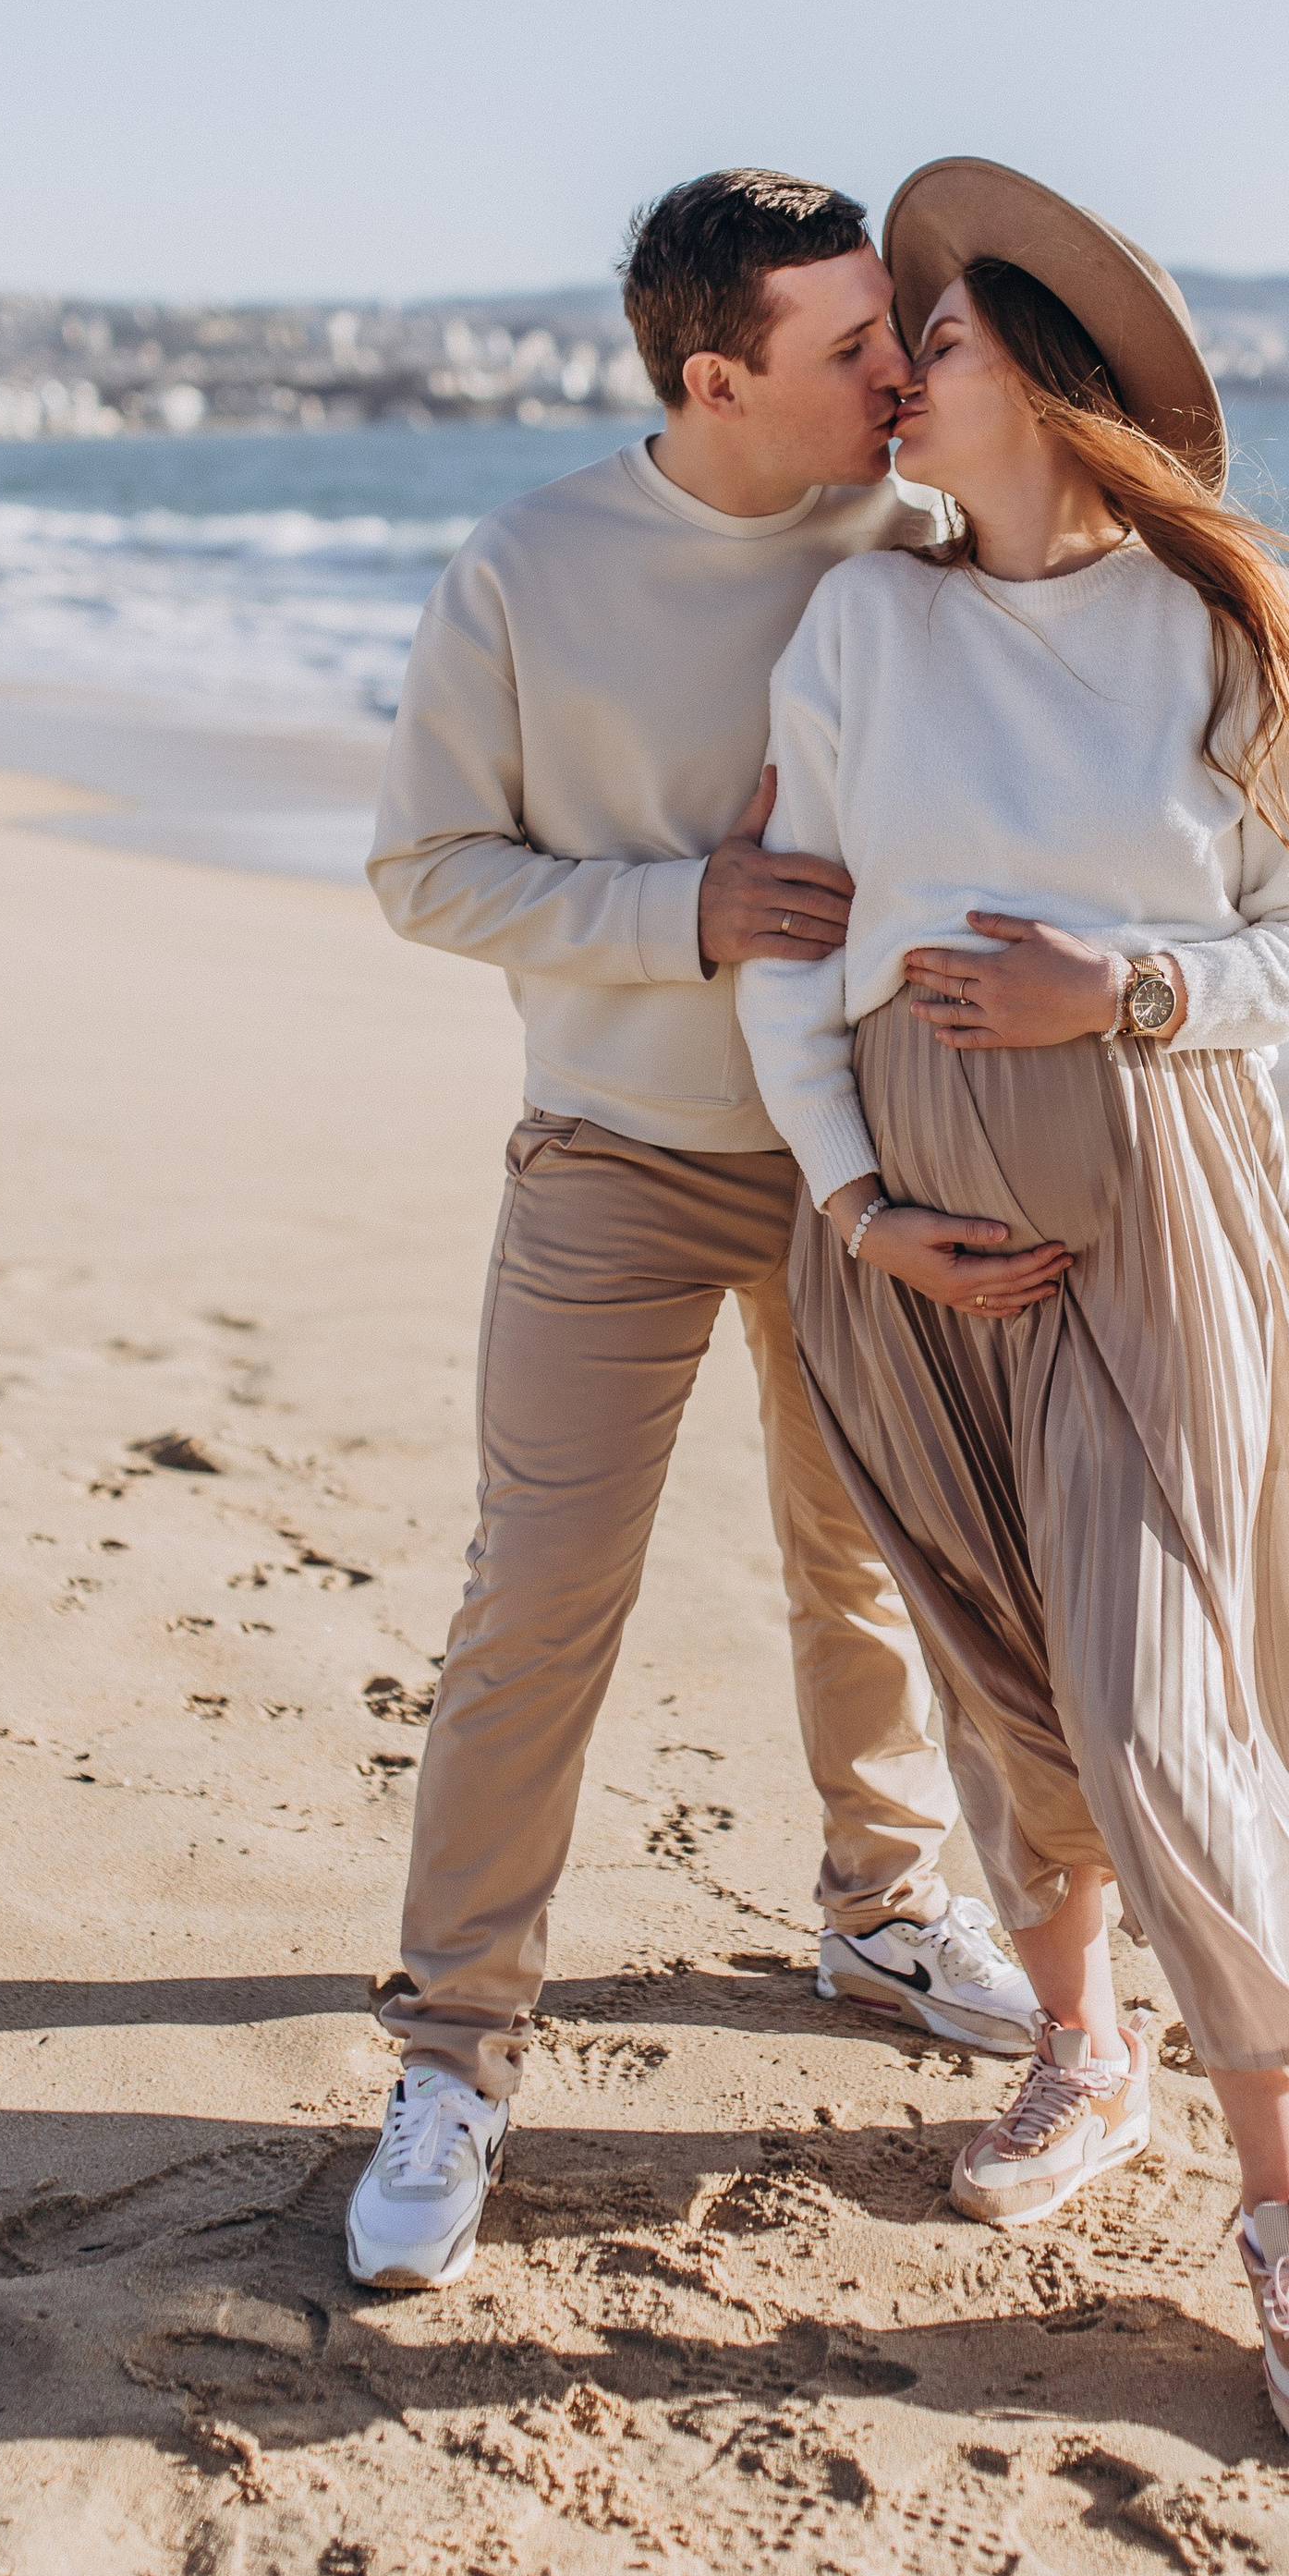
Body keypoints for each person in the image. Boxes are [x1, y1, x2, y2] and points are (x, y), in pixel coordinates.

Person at [737, 157, 1289, 2463]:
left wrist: (1127, 994)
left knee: (1146, 1685)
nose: (899, 371)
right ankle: (1075, 2042)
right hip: (894, 1209)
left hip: (1147, 1190)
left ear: (1060, 392)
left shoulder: (1221, 632)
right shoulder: (854, 632)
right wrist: (850, 1198)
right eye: (896, 338)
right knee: (1003, 1659)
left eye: (948, 343)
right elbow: (790, 949)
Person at [345, 168, 1040, 2296]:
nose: (898, 379)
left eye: (899, 337)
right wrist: (685, 914)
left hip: (876, 1167)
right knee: (537, 1597)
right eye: (854, 350)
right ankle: (457, 2047)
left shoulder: (921, 544)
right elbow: (427, 870)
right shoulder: (530, 567)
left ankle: (878, 1911)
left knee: (874, 1569)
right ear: (716, 374)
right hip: (614, 1161)